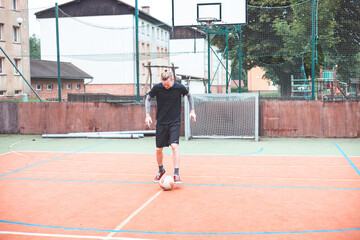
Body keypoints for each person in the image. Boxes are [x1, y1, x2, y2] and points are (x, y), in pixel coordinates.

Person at [145, 70, 196, 184]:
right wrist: (147, 115)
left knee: (174, 146)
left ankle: (176, 174)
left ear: (172, 79)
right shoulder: (157, 88)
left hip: (174, 122)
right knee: (159, 148)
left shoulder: (179, 88)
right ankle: (161, 170)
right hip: (161, 122)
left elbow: (189, 96)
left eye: (167, 84)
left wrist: (192, 111)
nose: (166, 86)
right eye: (164, 84)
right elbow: (148, 99)